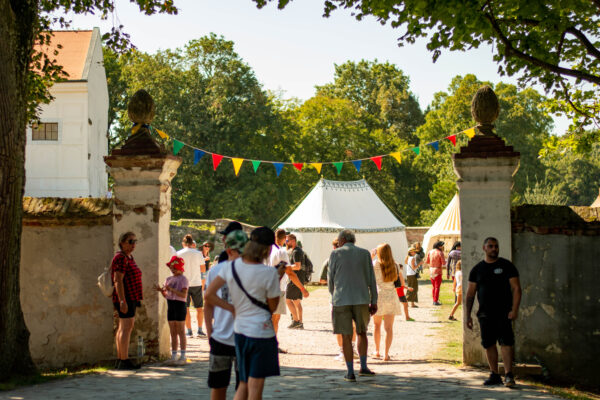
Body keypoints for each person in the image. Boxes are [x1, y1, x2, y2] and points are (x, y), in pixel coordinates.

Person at [205, 227, 286, 400]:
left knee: (240, 384)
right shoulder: (269, 273)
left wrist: (231, 308)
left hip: (238, 332)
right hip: (260, 333)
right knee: (254, 386)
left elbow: (208, 296)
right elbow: (272, 307)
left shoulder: (229, 268)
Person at [466, 237, 522, 387]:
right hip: (485, 314)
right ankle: (495, 374)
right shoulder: (477, 270)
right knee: (488, 344)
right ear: (484, 248)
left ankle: (509, 375)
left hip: (504, 313)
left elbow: (516, 288)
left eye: (496, 246)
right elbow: (470, 294)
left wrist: (514, 309)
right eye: (490, 246)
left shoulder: (507, 266)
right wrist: (467, 316)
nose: (494, 249)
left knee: (506, 343)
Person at [328, 229, 377, 382]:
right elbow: (371, 279)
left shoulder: (335, 254)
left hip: (341, 299)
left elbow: (331, 279)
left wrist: (334, 295)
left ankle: (350, 371)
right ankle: (363, 366)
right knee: (362, 332)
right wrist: (373, 300)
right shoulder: (364, 254)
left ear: (341, 240)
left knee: (346, 336)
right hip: (361, 298)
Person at [204, 229, 247, 400]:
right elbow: (208, 304)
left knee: (240, 386)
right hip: (223, 336)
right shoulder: (216, 271)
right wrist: (210, 333)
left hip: (241, 337)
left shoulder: (251, 271)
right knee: (219, 385)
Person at [268, 229, 309, 348]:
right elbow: (290, 272)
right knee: (275, 319)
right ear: (284, 238)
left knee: (269, 318)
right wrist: (302, 288)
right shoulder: (281, 252)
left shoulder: (268, 250)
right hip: (277, 288)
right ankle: (272, 345)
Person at [111, 232, 142, 370]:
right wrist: (122, 301)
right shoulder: (121, 258)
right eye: (130, 241)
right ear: (122, 242)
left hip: (131, 297)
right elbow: (118, 280)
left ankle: (121, 358)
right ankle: (124, 360)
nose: (133, 244)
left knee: (124, 327)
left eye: (135, 241)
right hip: (126, 298)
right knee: (126, 327)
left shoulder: (129, 257)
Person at [155, 256, 189, 365]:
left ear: (180, 268)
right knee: (173, 331)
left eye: (175, 267)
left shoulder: (184, 279)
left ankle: (183, 356)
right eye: (171, 267)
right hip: (171, 305)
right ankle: (174, 355)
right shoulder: (168, 279)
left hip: (180, 305)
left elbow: (184, 294)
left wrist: (172, 289)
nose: (172, 269)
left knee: (181, 331)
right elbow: (167, 295)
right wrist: (161, 291)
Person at [372, 244, 403, 361]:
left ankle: (377, 350)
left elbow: (364, 268)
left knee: (376, 325)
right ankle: (386, 353)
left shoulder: (375, 264)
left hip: (379, 295)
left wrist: (371, 255)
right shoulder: (395, 265)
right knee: (389, 327)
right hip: (391, 296)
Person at [177, 234, 206, 337]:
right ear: (192, 243)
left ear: (183, 243)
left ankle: (189, 331)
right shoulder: (198, 254)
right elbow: (203, 269)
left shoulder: (178, 253)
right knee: (199, 307)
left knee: (186, 309)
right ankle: (199, 330)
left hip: (183, 284)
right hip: (196, 283)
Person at [285, 233, 307, 329]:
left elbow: (297, 266)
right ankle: (300, 323)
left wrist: (285, 267)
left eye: (287, 241)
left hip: (295, 278)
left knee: (288, 300)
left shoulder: (296, 252)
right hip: (300, 278)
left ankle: (296, 321)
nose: (286, 242)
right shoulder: (298, 250)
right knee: (297, 301)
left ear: (293, 241)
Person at [426, 240, 446, 305]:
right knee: (437, 287)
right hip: (438, 270)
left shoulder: (430, 252)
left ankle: (434, 300)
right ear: (439, 246)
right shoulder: (440, 253)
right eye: (441, 246)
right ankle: (435, 300)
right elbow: (444, 263)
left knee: (434, 287)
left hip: (431, 270)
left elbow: (427, 261)